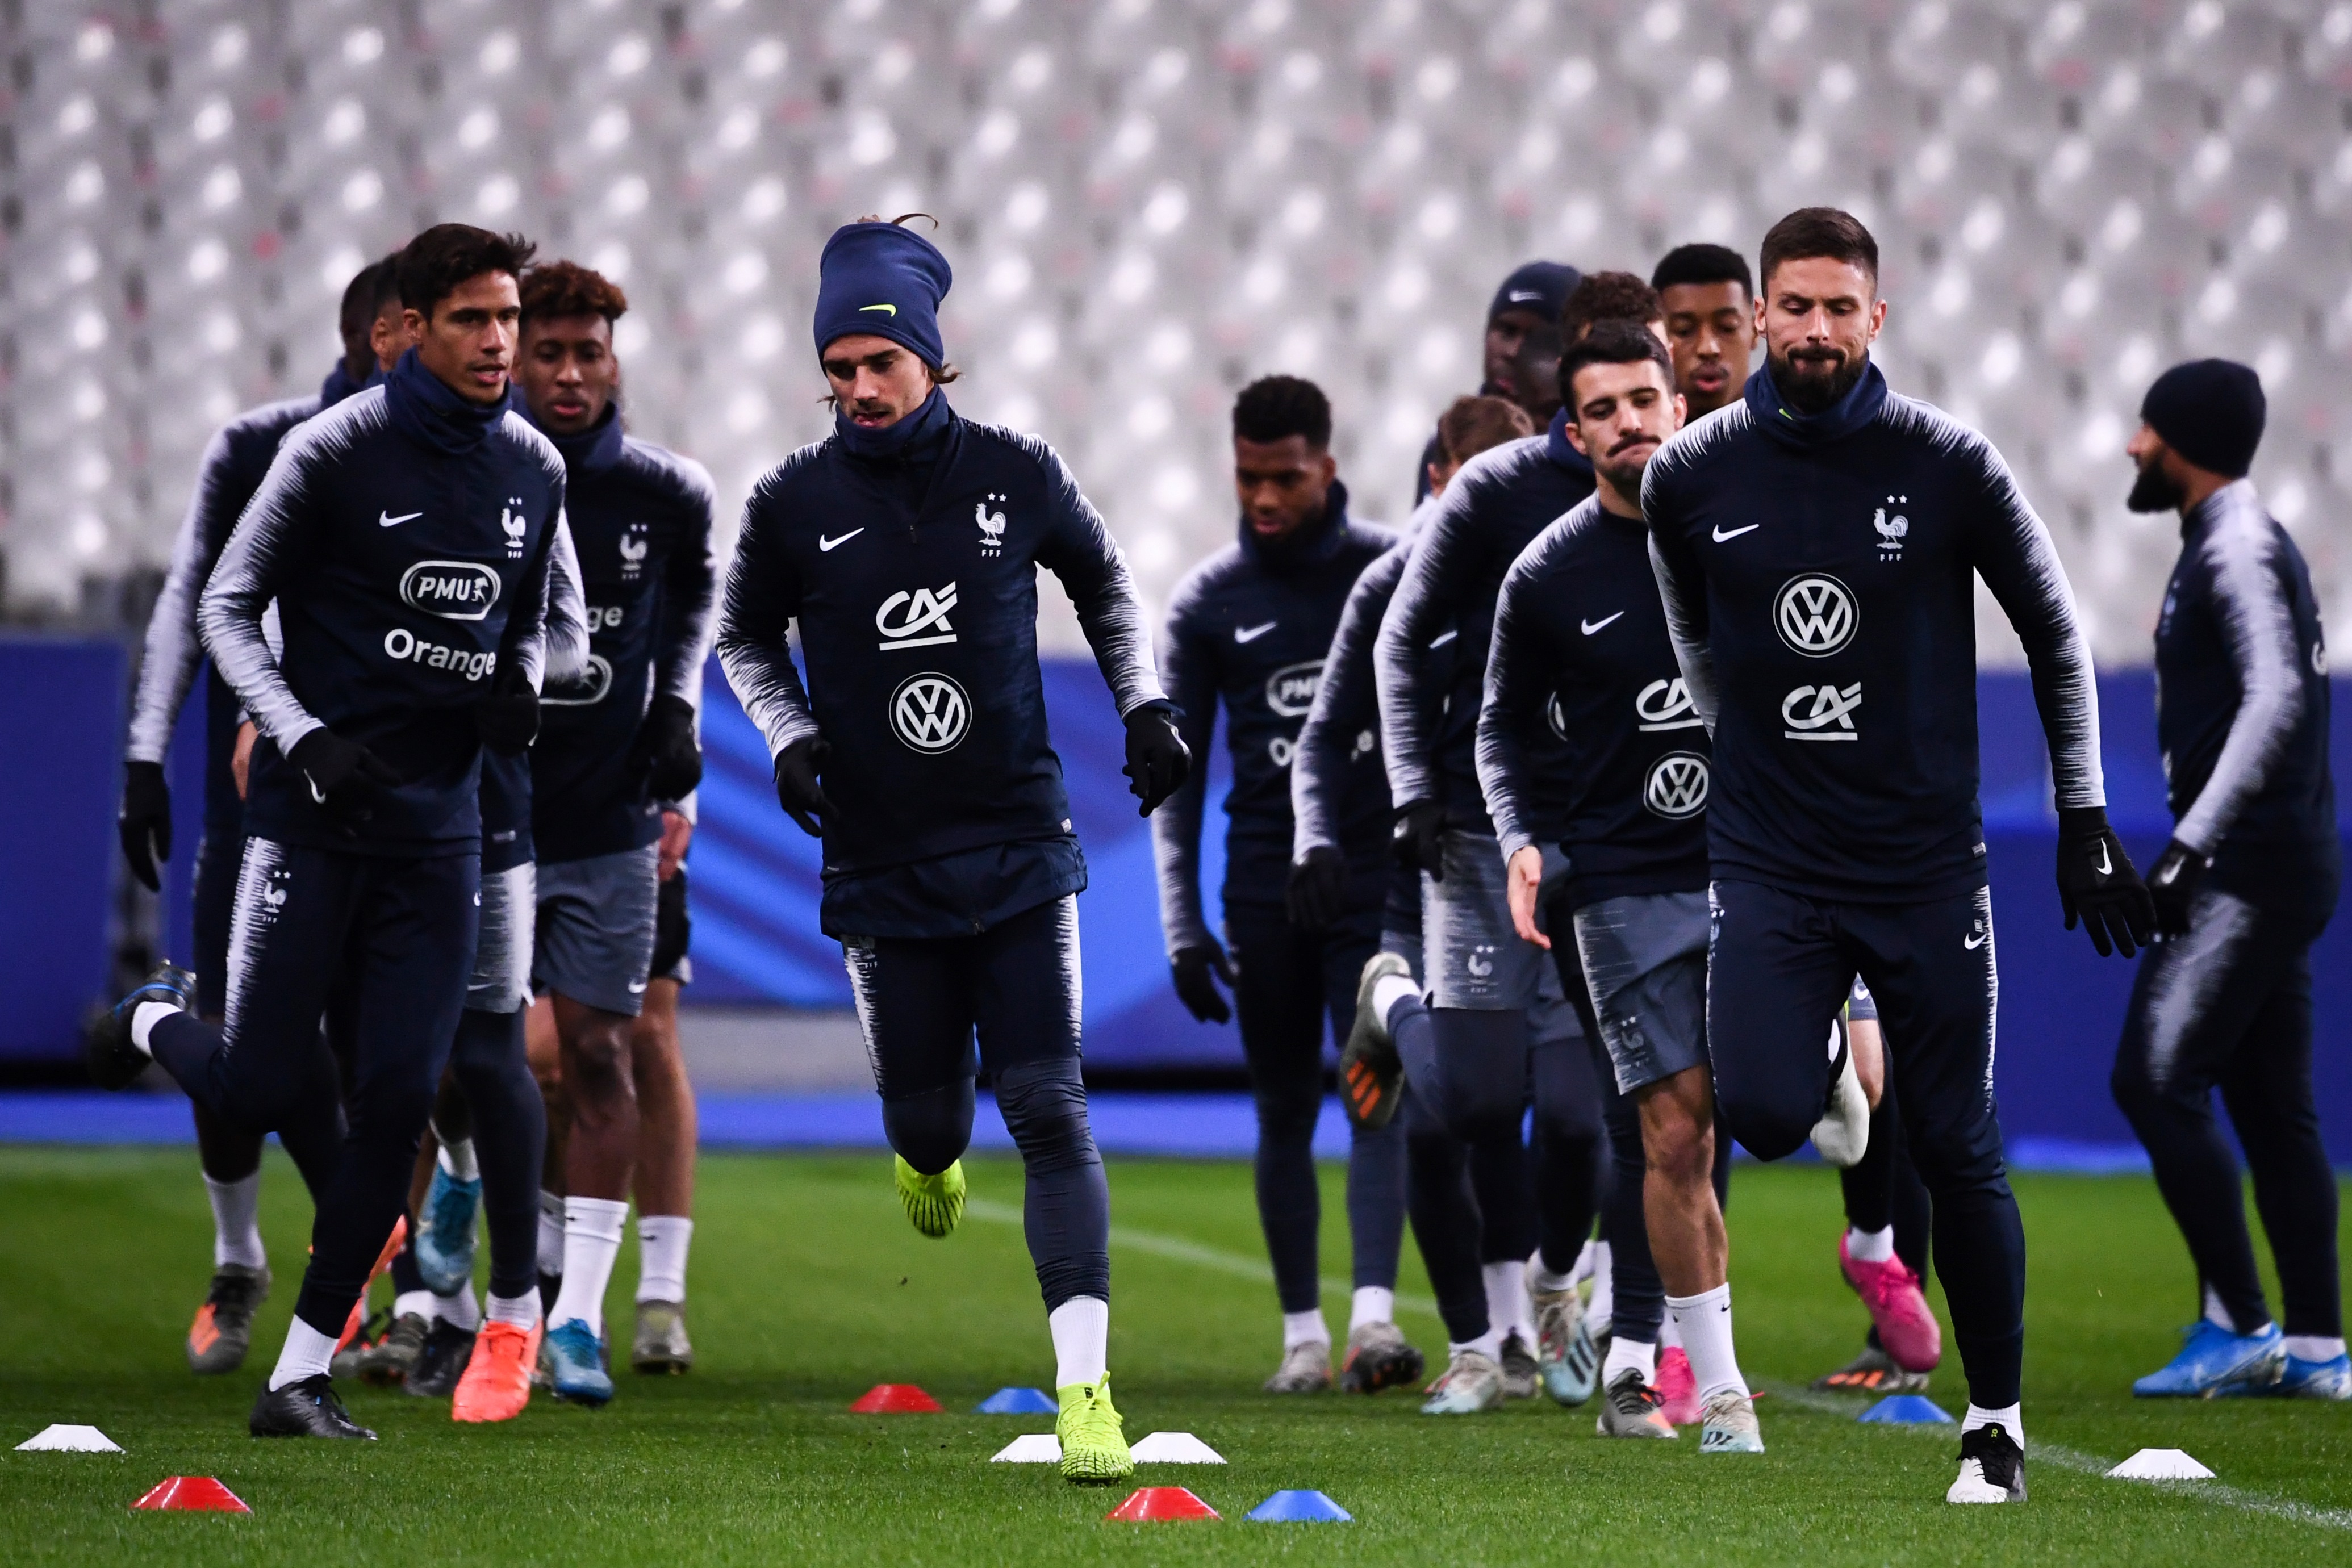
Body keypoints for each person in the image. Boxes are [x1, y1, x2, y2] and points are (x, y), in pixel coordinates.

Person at [1643, 207, 2153, 1502]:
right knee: (1755, 1114)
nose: (1813, 330)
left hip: (1924, 867)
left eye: (1838, 308)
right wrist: (1753, 761)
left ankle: (1993, 1420)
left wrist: (2082, 817)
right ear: (1759, 315)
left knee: (1954, 1142)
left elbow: (2051, 634)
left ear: (1879, 317)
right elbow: (1695, 647)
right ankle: (1821, 1056)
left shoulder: (1950, 464)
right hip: (1767, 855)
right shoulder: (1684, 475)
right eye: (1793, 306)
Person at [715, 216, 1187, 1484]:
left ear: (932, 358)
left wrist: (1144, 703)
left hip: (1022, 841)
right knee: (929, 1125)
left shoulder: (1017, 473)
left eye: (881, 362)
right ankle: (925, 1154)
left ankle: (1086, 1391)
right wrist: (789, 734)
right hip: (880, 865)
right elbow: (743, 640)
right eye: (840, 367)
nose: (859, 388)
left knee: (1046, 1101)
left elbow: (1109, 585)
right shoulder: (789, 503)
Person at [87, 223, 571, 1440]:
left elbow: (562, 634)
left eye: (507, 318)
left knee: (399, 1101)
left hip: (440, 833)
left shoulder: (533, 466)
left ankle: (298, 1374)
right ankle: (155, 1013)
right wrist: (300, 735)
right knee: (253, 1085)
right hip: (307, 820)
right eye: (472, 319)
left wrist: (531, 675)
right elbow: (224, 606)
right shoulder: (329, 449)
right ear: (409, 327)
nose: (498, 342)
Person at [1368, 287, 1681, 1414]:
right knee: (1471, 1103)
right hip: (1471, 838)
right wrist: (1412, 790)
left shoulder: (1699, 488)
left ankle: (1592, 1314)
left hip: (1614, 845)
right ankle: (1394, 1006)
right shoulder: (1498, 492)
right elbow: (1404, 636)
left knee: (1599, 1114)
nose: (1623, 401)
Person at [116, 256, 405, 1377]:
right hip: (270, 793)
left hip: (403, 804)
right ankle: (238, 1262)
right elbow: (195, 597)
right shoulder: (261, 446)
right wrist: (148, 756)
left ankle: (394, 1299)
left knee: (398, 1060)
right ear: (384, 335)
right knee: (258, 1062)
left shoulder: (478, 454)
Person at [1478, 321, 1762, 1448]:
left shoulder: (1746, 537)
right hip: (1621, 886)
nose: (1629, 421)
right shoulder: (1546, 573)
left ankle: (1608, 1312)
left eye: (1645, 399)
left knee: (1779, 1107)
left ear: (1679, 405)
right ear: (1574, 428)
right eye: (1602, 408)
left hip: (1759, 871)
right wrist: (1524, 840)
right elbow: (1498, 730)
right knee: (1669, 1134)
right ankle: (1691, 1377)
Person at [1152, 376, 1415, 1395]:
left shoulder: (1390, 572)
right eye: (1249, 477)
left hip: (1370, 884)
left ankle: (1376, 1327)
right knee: (1278, 1109)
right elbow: (1174, 775)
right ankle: (1303, 1336)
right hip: (1261, 887)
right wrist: (1182, 926)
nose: (1264, 498)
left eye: (1285, 478)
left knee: (1374, 1095)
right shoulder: (1208, 602)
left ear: (1328, 468)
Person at [498, 259, 716, 1407]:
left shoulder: (668, 495)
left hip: (620, 819)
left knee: (621, 1045)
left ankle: (613, 1301)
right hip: (483, 820)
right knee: (475, 1056)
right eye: (551, 352)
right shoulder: (478, 479)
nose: (574, 373)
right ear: (512, 354)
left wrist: (682, 748)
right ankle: (468, 1276)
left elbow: (693, 626)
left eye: (591, 353)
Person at [2109, 360, 2343, 1400]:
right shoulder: (2224, 540)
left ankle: (2242, 1323)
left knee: (2153, 1080)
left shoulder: (2238, 545)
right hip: (2275, 857)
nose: (2131, 446)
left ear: (2185, 440)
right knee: (2271, 1106)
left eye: (2148, 428)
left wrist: (2186, 849)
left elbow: (2277, 699)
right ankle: (2319, 1347)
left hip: (2248, 867)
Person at [1299, 395, 1536, 1413]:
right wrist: (1321, 838)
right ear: (1440, 478)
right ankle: (1486, 1342)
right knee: (1451, 1118)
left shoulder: (1551, 575)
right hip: (1425, 887)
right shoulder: (1395, 588)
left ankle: (1548, 1321)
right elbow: (1321, 737)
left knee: (1564, 1111)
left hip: (1540, 878)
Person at [1413, 261, 1580, 503]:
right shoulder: (1450, 440)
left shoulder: (1590, 445)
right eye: (1507, 331)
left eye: (1536, 338)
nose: (1513, 352)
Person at [1649, 244, 1756, 419]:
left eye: (1727, 327)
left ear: (1755, 329)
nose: (1708, 349)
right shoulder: (1639, 440)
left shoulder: (1799, 438)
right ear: (1655, 338)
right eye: (1684, 331)